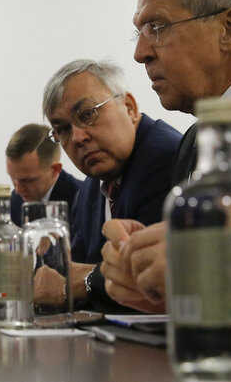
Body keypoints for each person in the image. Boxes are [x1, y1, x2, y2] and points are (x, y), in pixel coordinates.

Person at [102, 0, 231, 312]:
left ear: (230, 28)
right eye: (139, 33)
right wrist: (143, 271)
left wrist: (212, 268)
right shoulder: (191, 142)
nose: (140, 52)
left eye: (157, 27)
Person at [42, 59, 180, 311]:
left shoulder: (166, 158)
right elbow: (70, 269)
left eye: (87, 115)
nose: (78, 138)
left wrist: (73, 283)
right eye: (62, 129)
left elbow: (141, 282)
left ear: (129, 108)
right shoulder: (91, 187)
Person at [5, 123, 82, 226]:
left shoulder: (82, 200)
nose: (18, 190)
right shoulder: (15, 201)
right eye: (13, 178)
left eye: (27, 180)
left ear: (55, 169)